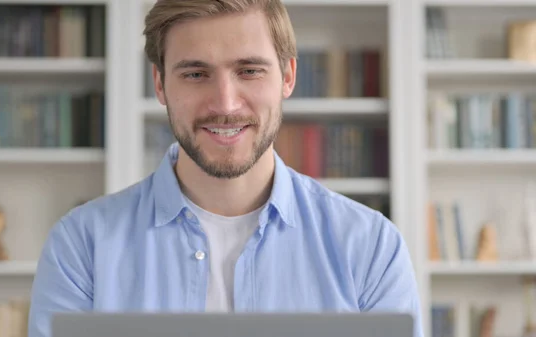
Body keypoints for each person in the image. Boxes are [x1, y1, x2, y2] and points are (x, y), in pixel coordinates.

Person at [27, 1, 424, 337]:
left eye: (249, 70)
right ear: (161, 84)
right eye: (196, 74)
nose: (226, 104)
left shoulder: (371, 248)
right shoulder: (81, 248)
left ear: (287, 76)